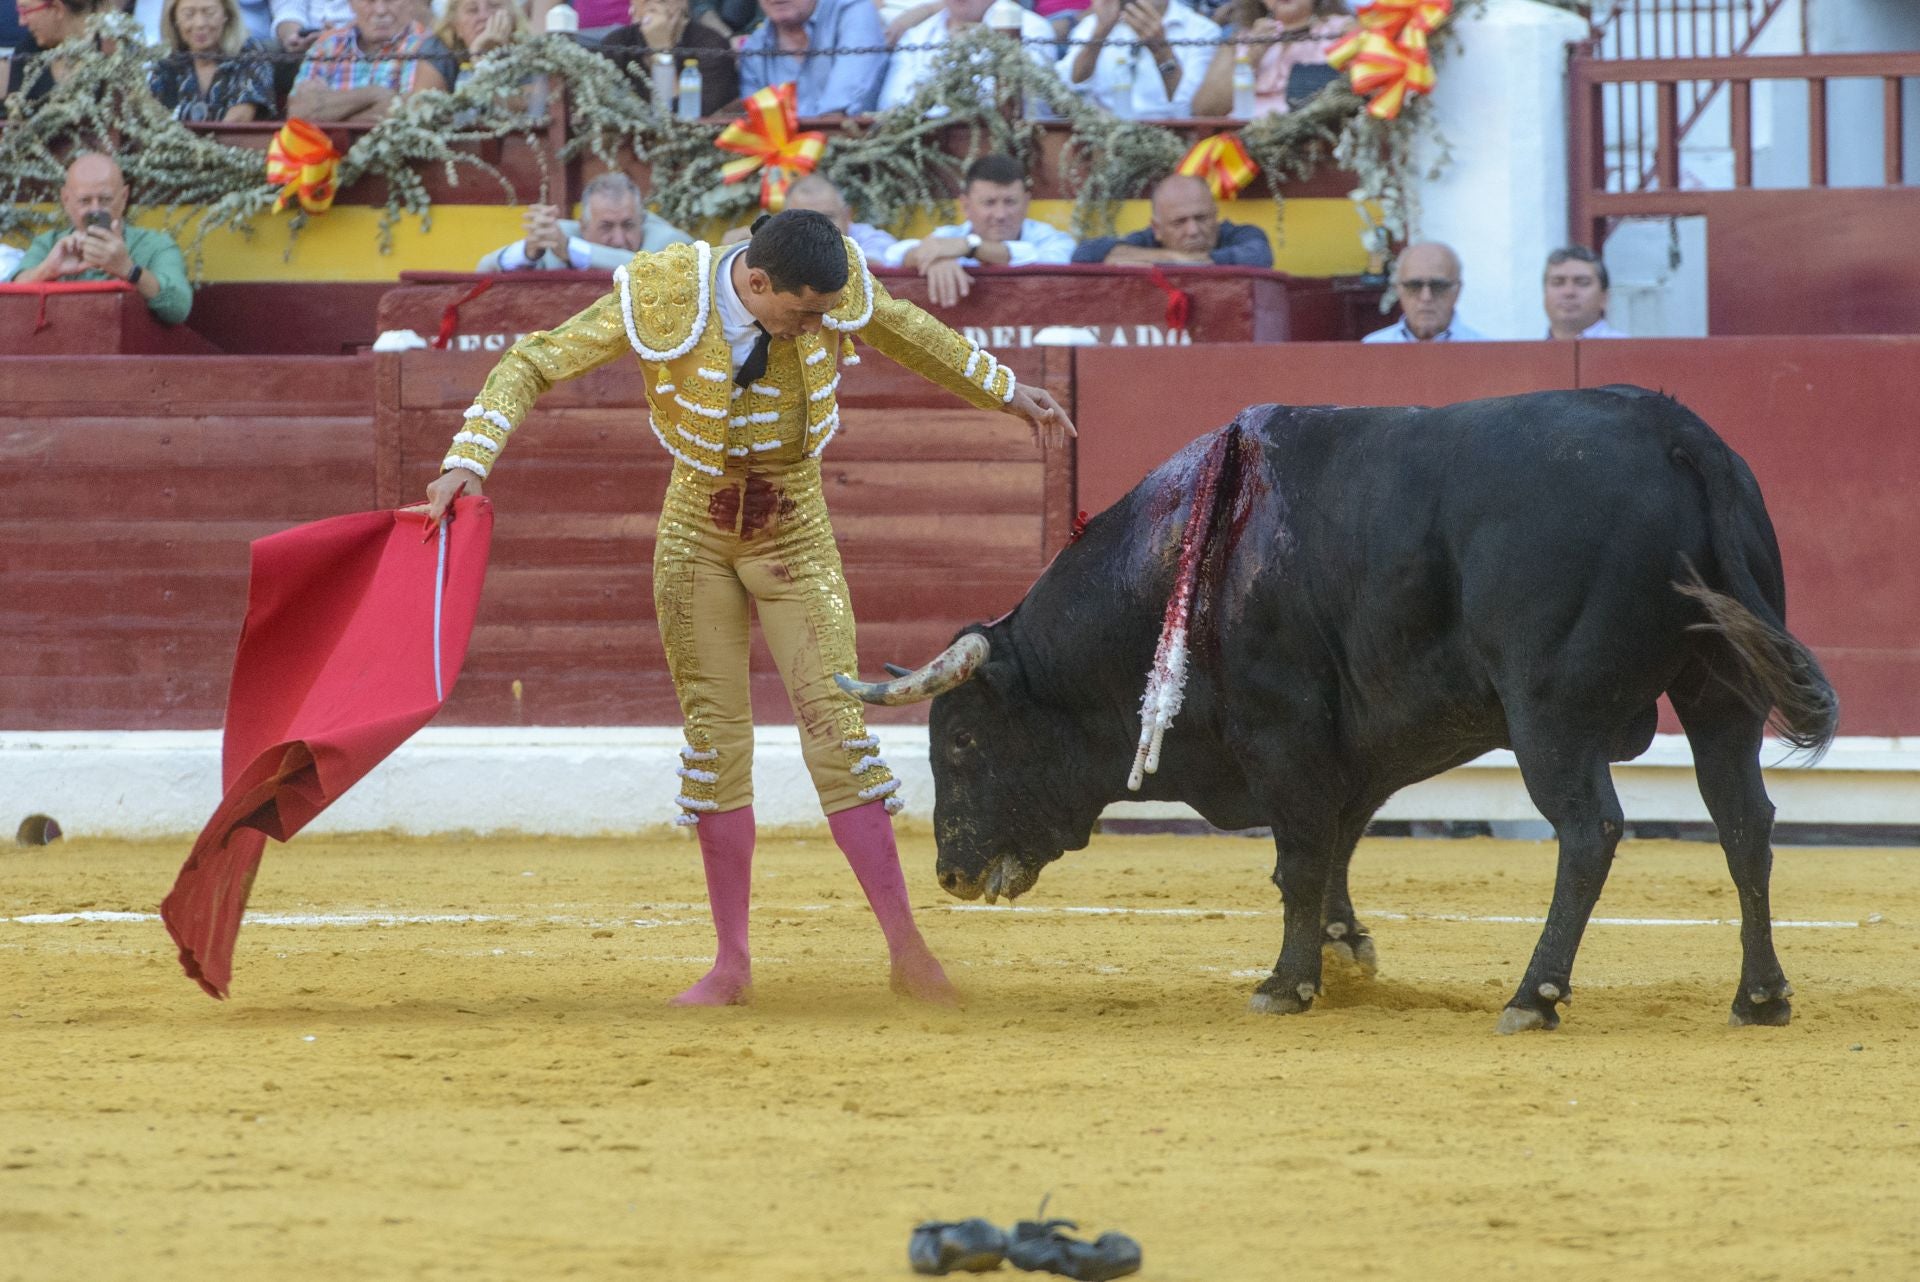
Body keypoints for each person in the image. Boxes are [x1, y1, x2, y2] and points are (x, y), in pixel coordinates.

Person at [420, 210, 1075, 1007]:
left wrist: (1005, 391)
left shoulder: (831, 283)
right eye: (805, 312)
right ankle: (731, 965)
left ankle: (909, 953)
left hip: (794, 532)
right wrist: (468, 459)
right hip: (695, 533)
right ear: (757, 284)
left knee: (840, 731)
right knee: (714, 743)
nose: (822, 326)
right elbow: (531, 361)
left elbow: (906, 329)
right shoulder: (665, 291)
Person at [11, 153, 194, 325]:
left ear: (124, 198)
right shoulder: (48, 244)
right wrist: (47, 270)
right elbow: (9, 301)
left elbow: (178, 308)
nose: (95, 210)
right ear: (66, 200)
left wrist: (128, 270)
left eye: (105, 199)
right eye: (84, 201)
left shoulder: (156, 245)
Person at [882, 154, 1075, 308]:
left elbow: (1049, 260)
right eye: (989, 203)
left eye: (1010, 202)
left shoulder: (1052, 239)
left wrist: (970, 246)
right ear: (966, 205)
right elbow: (893, 254)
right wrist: (935, 258)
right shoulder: (949, 239)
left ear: (1026, 202)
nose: (1000, 214)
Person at [476, 172, 693, 272]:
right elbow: (484, 269)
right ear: (583, 226)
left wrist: (571, 250)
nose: (619, 239)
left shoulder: (670, 242)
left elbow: (642, 270)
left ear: (641, 221)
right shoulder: (560, 235)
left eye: (628, 225)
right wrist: (528, 251)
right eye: (606, 227)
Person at [286, 0, 451, 123]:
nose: (380, 10)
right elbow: (297, 113)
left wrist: (328, 108)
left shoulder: (428, 45)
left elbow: (407, 114)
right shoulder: (329, 44)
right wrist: (375, 94)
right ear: (350, 3)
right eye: (369, 0)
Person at [876, 0, 1055, 112]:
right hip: (922, 148)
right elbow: (891, 104)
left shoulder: (1032, 28)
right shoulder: (916, 35)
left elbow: (1034, 105)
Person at [1058, 0, 1222, 119]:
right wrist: (1100, 32)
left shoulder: (1202, 31)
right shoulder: (1093, 24)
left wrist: (1163, 53)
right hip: (1102, 140)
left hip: (1170, 141)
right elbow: (1063, 92)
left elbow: (1191, 111)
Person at [1070, 173, 1273, 267]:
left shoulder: (1241, 235)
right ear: (1156, 228)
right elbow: (1085, 254)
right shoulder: (1148, 240)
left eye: (1201, 218)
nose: (1193, 230)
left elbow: (1258, 256)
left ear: (1215, 215)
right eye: (1179, 222)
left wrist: (1178, 261)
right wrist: (1175, 258)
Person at [1190, 0, 1350, 119]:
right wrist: (1252, 55)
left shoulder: (1343, 30)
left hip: (1313, 143)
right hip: (1240, 145)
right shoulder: (1241, 38)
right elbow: (1205, 111)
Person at [736, 0, 888, 118]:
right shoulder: (754, 46)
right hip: (780, 155)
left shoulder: (852, 11)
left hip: (856, 147)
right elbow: (756, 122)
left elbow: (841, 111)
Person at [600, 0, 739, 116]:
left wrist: (662, 51)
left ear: (684, 3)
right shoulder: (616, 43)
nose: (656, 8)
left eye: (662, 1)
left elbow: (687, 120)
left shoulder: (712, 45)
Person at [148, 0, 276, 122]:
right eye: (188, 14)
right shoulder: (166, 63)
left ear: (226, 15)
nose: (200, 23)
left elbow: (240, 117)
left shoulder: (250, 53)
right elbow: (152, 115)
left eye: (209, 12)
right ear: (175, 19)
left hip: (234, 143)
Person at [719, 175, 897, 260]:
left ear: (847, 215)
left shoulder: (869, 238)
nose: (818, 228)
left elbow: (875, 265)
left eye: (827, 217)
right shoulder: (773, 238)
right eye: (804, 220)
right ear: (783, 219)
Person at [1361, 242, 1487, 343]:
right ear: (1399, 290)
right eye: (1414, 286)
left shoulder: (1486, 353)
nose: (1426, 297)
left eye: (1438, 286)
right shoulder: (1373, 349)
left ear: (1457, 290)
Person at [10, 0, 107, 101]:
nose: (21, 22)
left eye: (25, 11)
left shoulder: (113, 48)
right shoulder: (27, 52)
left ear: (57, 8)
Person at [1543, 244, 1626, 340]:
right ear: (1545, 294)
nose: (1569, 292)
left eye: (1582, 283)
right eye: (1558, 283)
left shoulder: (1628, 351)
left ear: (1604, 298)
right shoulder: (1527, 352)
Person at [432, 0, 528, 81]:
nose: (483, 16)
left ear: (513, 17)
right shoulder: (437, 51)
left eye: (494, 6)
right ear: (456, 26)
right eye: (472, 10)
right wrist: (478, 56)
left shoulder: (531, 55)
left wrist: (482, 60)